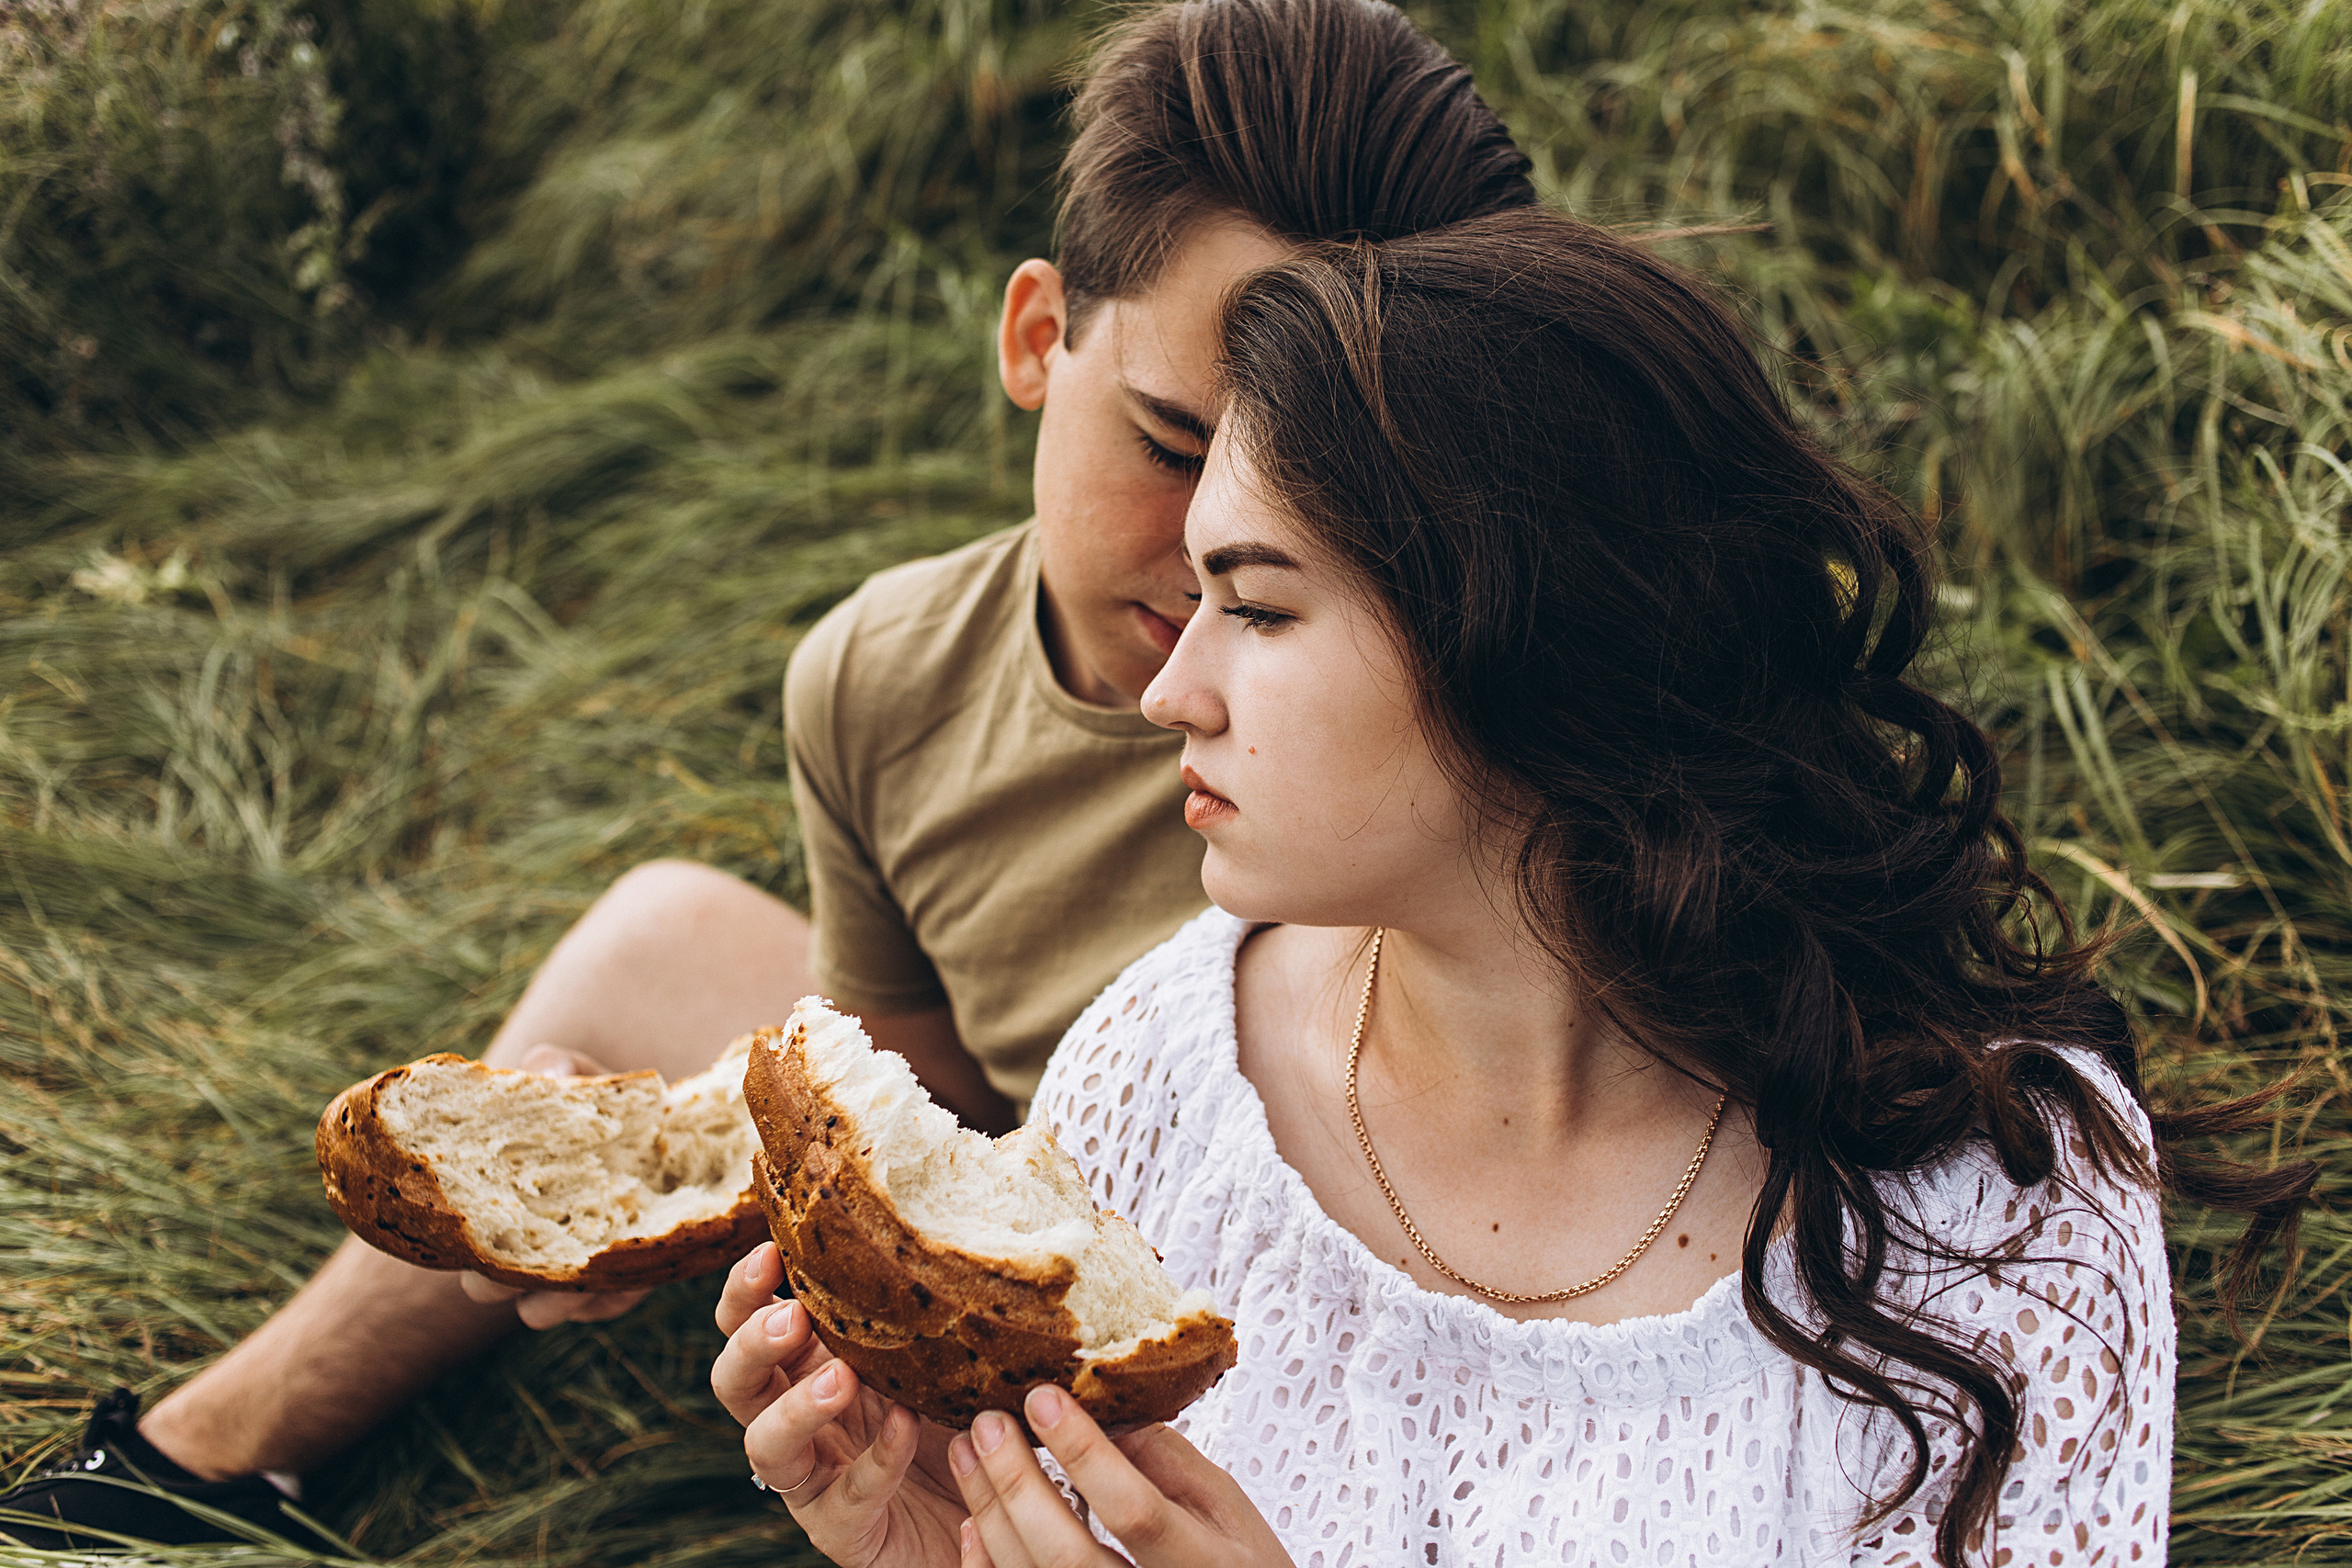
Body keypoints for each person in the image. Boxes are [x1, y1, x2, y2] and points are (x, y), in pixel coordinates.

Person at [0, 0, 1540, 1551]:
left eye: (1322, 507)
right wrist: (652, 1193)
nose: (1219, 542)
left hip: (1331, 1282)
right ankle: (203, 1456)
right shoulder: (881, 679)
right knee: (658, 938)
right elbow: (929, 1101)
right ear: (1033, 339)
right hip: (1071, 1195)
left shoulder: (1449, 722)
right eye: (1169, 442)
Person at [708, 206, 2315, 1566]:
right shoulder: (1154, 1081)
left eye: (1260, 610)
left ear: (1525, 643)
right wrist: (938, 1534)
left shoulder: (2001, 1211)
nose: (1170, 691)